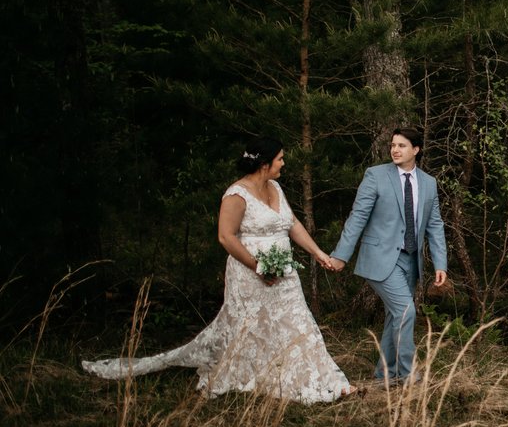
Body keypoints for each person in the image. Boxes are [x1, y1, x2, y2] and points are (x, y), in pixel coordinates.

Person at [82, 137, 356, 403]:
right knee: (250, 328)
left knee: (298, 324)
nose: (284, 163)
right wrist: (258, 266)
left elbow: (292, 223)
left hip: (285, 274)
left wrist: (319, 253)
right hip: (250, 274)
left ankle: (324, 380)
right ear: (265, 164)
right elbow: (226, 237)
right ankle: (254, 374)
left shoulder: (276, 188)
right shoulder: (236, 194)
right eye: (280, 159)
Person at [330, 126, 447, 386]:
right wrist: (341, 255)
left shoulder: (429, 183)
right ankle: (407, 375)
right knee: (406, 312)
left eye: (401, 145)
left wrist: (441, 263)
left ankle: (384, 375)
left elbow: (435, 224)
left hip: (411, 260)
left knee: (396, 315)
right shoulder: (375, 175)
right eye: (393, 145)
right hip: (380, 257)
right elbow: (358, 216)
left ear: (416, 150)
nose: (395, 149)